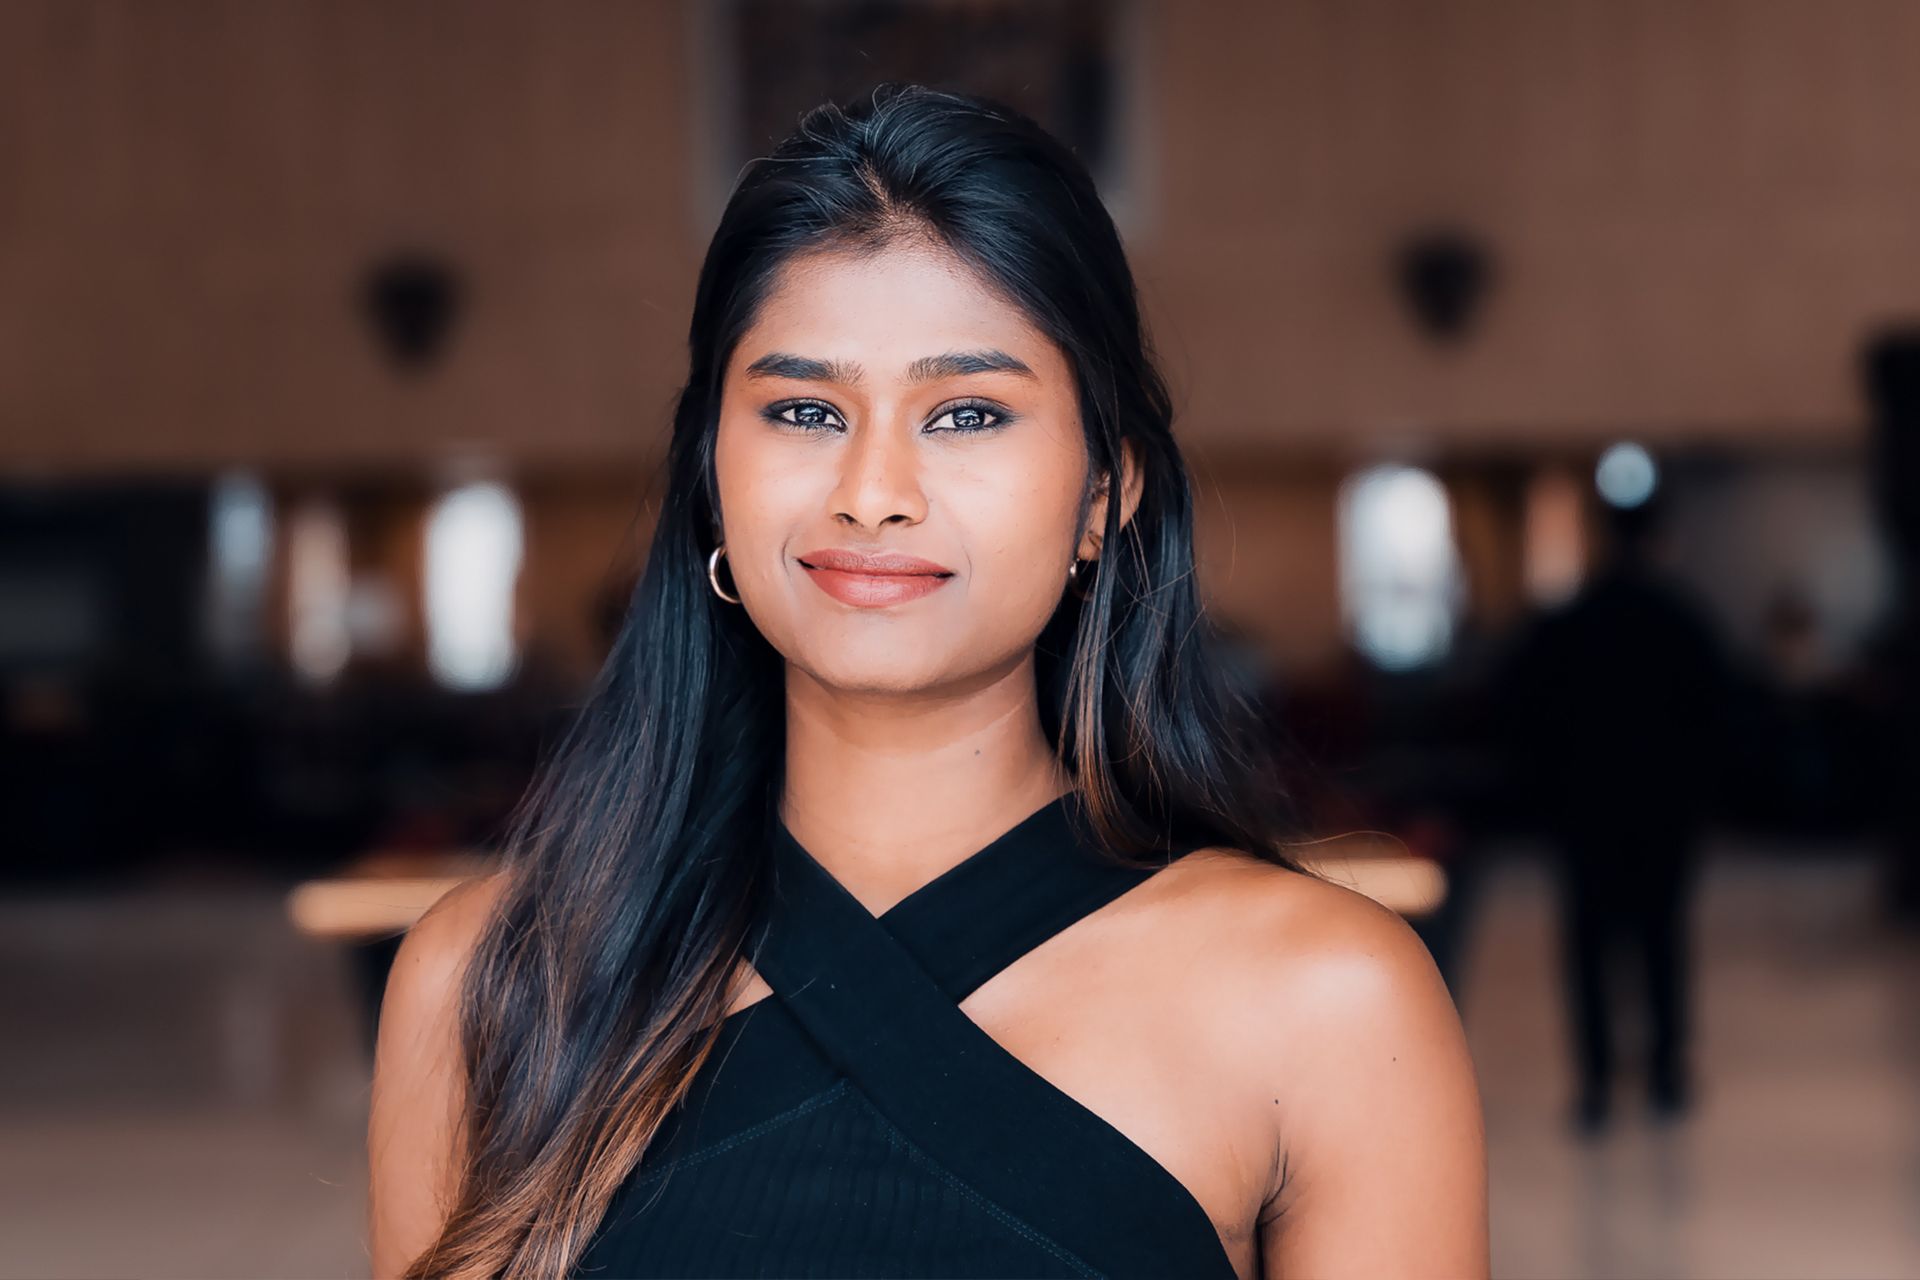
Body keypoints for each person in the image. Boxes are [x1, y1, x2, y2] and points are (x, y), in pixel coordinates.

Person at [367, 83, 1487, 1280]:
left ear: (1104, 492)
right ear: (710, 473)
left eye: (965, 412)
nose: (873, 489)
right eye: (804, 408)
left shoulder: (1329, 999)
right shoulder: (492, 983)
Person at [1497, 492, 1734, 1137]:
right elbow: (1720, 717)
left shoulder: (1571, 622)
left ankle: (1597, 1080)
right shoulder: (1680, 620)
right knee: (1662, 940)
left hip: (1587, 811)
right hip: (1663, 811)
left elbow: (1521, 714)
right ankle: (1664, 1073)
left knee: (1590, 946)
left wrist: (1549, 793)